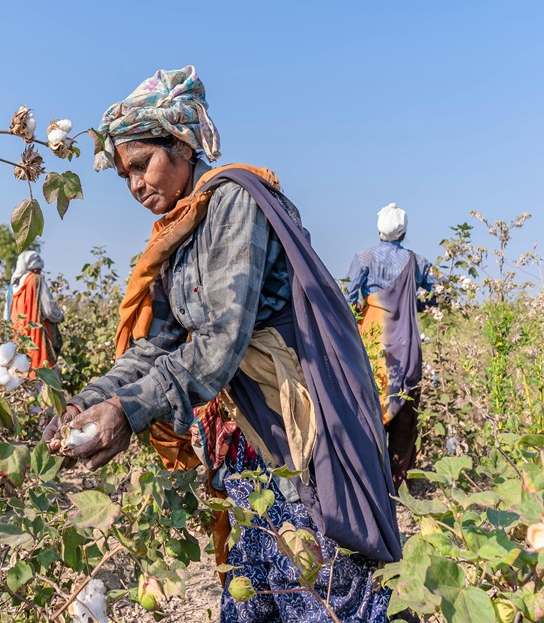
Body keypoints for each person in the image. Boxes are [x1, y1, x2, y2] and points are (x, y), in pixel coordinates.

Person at [43, 66, 398, 623]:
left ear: (182, 145)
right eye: (125, 176)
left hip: (292, 427)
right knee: (256, 581)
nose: (136, 185)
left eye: (142, 164)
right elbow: (161, 341)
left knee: (321, 583)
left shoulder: (232, 200)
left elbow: (219, 343)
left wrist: (129, 410)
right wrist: (92, 400)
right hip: (242, 433)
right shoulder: (179, 233)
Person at [344, 203, 434, 491]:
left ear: (379, 229)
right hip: (407, 348)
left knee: (369, 410)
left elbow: (348, 301)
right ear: (404, 231)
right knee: (404, 419)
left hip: (372, 346)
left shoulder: (364, 258)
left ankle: (367, 482)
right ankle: (397, 487)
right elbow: (436, 297)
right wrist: (412, 303)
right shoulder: (417, 262)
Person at [9, 250, 64, 372]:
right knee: (44, 372)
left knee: (21, 372)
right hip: (37, 336)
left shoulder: (12, 286)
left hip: (17, 336)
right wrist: (59, 317)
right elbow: (49, 310)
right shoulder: (36, 280)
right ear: (35, 268)